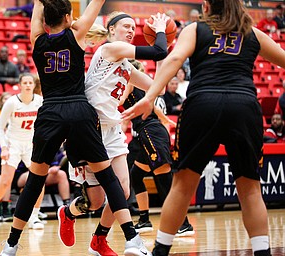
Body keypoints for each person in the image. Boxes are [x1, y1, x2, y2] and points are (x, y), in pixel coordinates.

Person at [122, 0, 285, 255]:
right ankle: (262, 252)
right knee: (251, 188)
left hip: (203, 103)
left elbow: (175, 57)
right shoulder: (252, 32)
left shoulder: (197, 29)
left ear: (207, 5)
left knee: (183, 184)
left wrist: (150, 96)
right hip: (243, 105)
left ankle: (160, 251)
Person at [0, 1, 150, 256]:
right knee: (108, 178)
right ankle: (131, 238)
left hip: (51, 113)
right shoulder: (77, 34)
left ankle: (11, 244)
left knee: (35, 181)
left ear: (45, 22)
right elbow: (96, 4)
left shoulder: (37, 39)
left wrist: (39, 3)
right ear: (69, 17)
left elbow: (38, 19)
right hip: (80, 111)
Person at [62, 11, 169, 256]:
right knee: (95, 202)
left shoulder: (125, 66)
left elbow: (158, 88)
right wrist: (161, 30)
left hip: (112, 130)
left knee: (123, 190)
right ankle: (68, 213)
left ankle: (99, 240)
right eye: (126, 26)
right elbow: (158, 51)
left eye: (134, 27)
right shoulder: (109, 50)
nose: (131, 31)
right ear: (111, 31)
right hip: (90, 128)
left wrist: (164, 55)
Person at [121, 59, 194, 237]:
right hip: (149, 131)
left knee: (164, 179)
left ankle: (183, 224)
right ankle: (144, 219)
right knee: (136, 176)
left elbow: (120, 100)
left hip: (150, 132)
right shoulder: (144, 89)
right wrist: (164, 120)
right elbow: (152, 106)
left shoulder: (130, 81)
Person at [0, 73, 44, 230]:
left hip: (31, 145)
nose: (28, 85)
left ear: (34, 85)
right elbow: (0, 127)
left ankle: (34, 216)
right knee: (5, 181)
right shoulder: (11, 102)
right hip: (13, 143)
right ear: (20, 85)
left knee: (38, 181)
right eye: (25, 83)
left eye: (30, 82)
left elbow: (45, 123)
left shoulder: (40, 101)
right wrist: (4, 147)